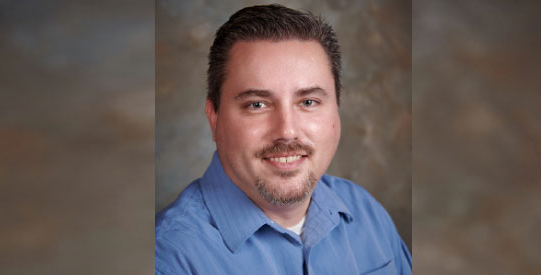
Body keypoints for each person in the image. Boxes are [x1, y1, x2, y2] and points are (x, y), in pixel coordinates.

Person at [156, 4, 412, 274]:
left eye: (309, 102)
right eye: (257, 105)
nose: (287, 131)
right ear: (214, 117)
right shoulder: (169, 260)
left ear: (337, 108)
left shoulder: (367, 215)